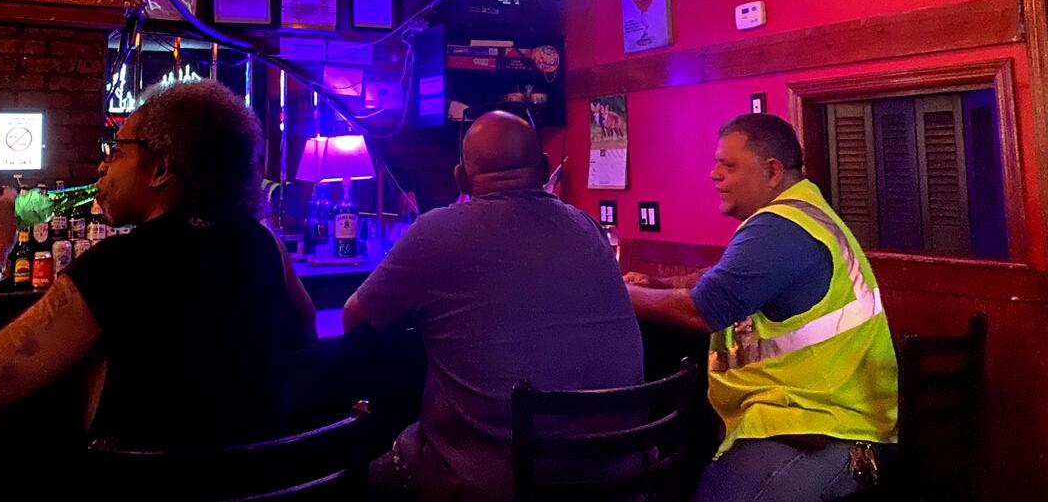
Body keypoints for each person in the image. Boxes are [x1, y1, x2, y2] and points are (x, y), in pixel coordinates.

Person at [0, 80, 316, 449]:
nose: (102, 166)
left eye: (117, 151)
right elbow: (304, 330)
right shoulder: (265, 244)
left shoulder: (117, 265)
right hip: (262, 497)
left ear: (161, 169)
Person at [343, 111, 644, 502]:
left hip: (501, 487)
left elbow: (355, 319)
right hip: (619, 478)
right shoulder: (587, 226)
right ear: (545, 168)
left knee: (359, 473)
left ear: (460, 178)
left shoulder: (436, 231)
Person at [625, 114, 897, 502]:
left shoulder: (781, 226)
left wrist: (616, 293)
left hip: (824, 431)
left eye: (728, 165)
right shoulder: (800, 213)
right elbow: (722, 277)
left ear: (772, 172)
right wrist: (662, 285)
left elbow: (704, 311)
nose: (713, 174)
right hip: (817, 418)